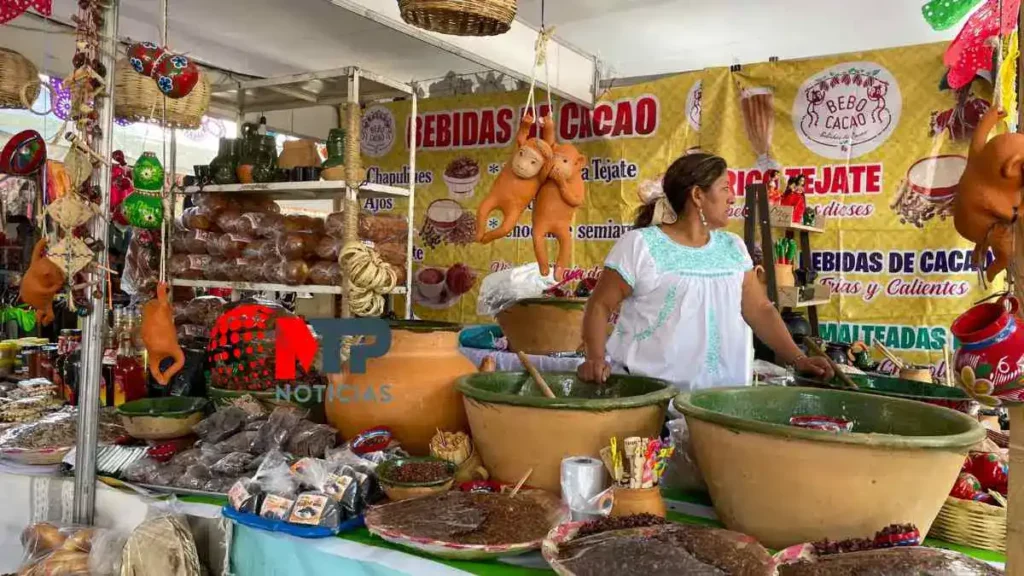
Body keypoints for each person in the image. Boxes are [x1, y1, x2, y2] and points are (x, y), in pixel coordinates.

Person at [577, 153, 833, 389]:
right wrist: (595, 359)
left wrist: (798, 359)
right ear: (698, 195)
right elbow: (598, 305)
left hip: (722, 401)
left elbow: (760, 309)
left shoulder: (732, 246)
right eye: (725, 188)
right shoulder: (640, 245)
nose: (732, 197)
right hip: (652, 399)